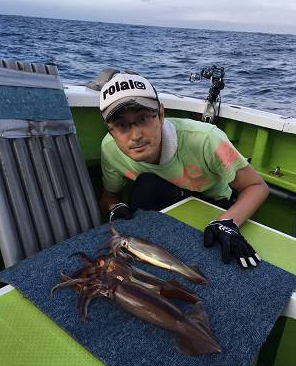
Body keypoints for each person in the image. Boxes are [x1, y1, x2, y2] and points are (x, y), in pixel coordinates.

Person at [99, 72, 269, 269]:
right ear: (109, 129)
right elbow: (109, 197)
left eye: (143, 119)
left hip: (212, 206)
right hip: (161, 206)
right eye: (121, 125)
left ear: (161, 115)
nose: (135, 135)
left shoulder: (206, 139)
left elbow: (256, 186)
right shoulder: (109, 149)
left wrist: (227, 222)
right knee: (146, 186)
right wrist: (114, 209)